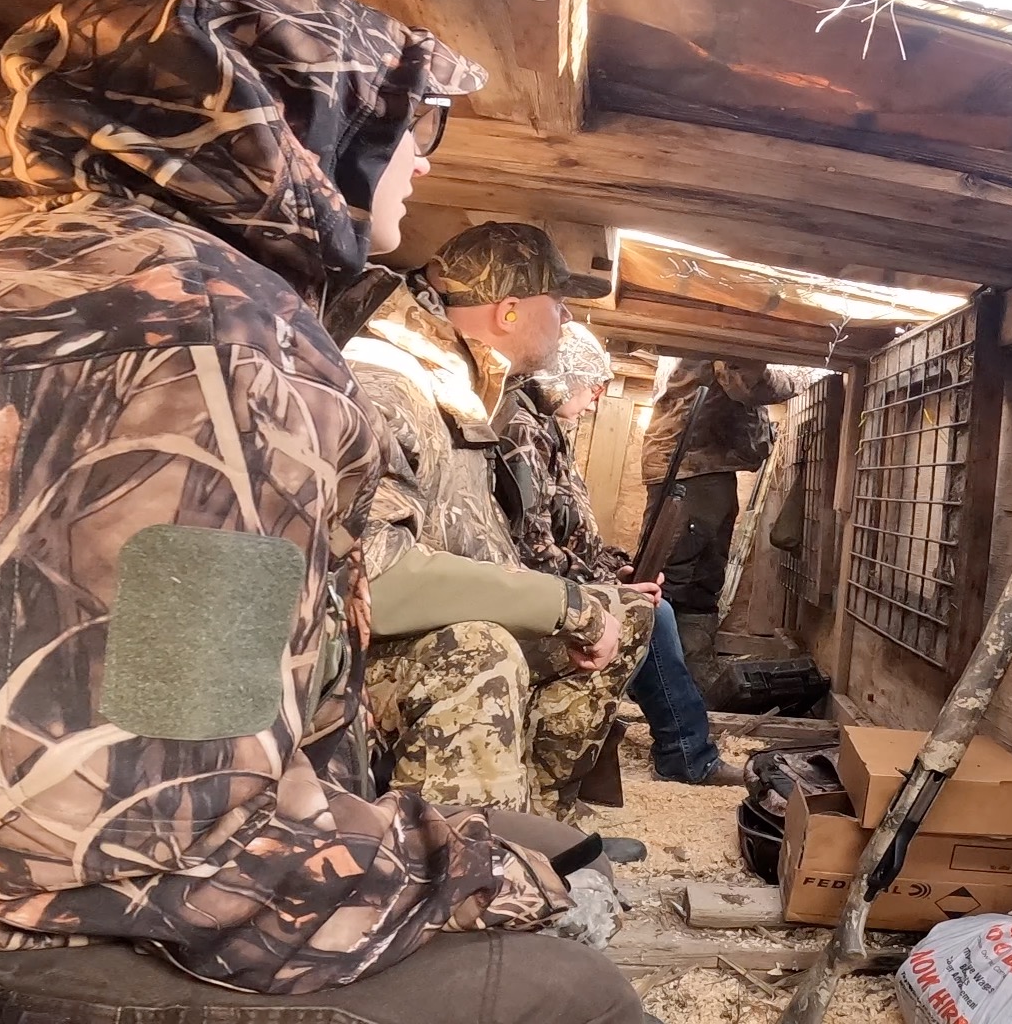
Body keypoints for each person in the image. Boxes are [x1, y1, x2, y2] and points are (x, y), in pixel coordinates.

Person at [0, 0, 638, 1023]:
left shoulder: (31, 268)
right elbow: (126, 829)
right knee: (561, 990)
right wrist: (475, 885)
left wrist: (462, 856)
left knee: (543, 848)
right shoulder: (190, 333)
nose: (426, 167)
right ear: (286, 122)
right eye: (410, 126)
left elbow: (156, 712)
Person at [346, 223, 657, 821]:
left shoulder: (465, 387)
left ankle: (537, 825)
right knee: (478, 650)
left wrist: (588, 599)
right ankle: (467, 870)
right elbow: (371, 580)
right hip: (360, 656)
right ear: (510, 311)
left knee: (626, 614)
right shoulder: (389, 382)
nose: (565, 321)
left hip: (430, 621)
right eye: (558, 306)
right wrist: (566, 605)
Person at [500, 323, 742, 787]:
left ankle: (686, 751)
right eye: (593, 384)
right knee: (653, 613)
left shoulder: (548, 428)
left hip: (557, 579)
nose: (596, 397)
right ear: (563, 374)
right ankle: (687, 754)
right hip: (532, 589)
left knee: (655, 607)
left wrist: (615, 567)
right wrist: (608, 586)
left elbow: (572, 531)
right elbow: (530, 550)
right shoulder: (521, 430)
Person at [641, 359, 815, 675]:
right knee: (671, 577)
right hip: (691, 466)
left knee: (701, 575)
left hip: (701, 465)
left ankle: (688, 672)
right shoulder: (724, 330)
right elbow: (747, 385)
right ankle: (654, 676)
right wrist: (812, 371)